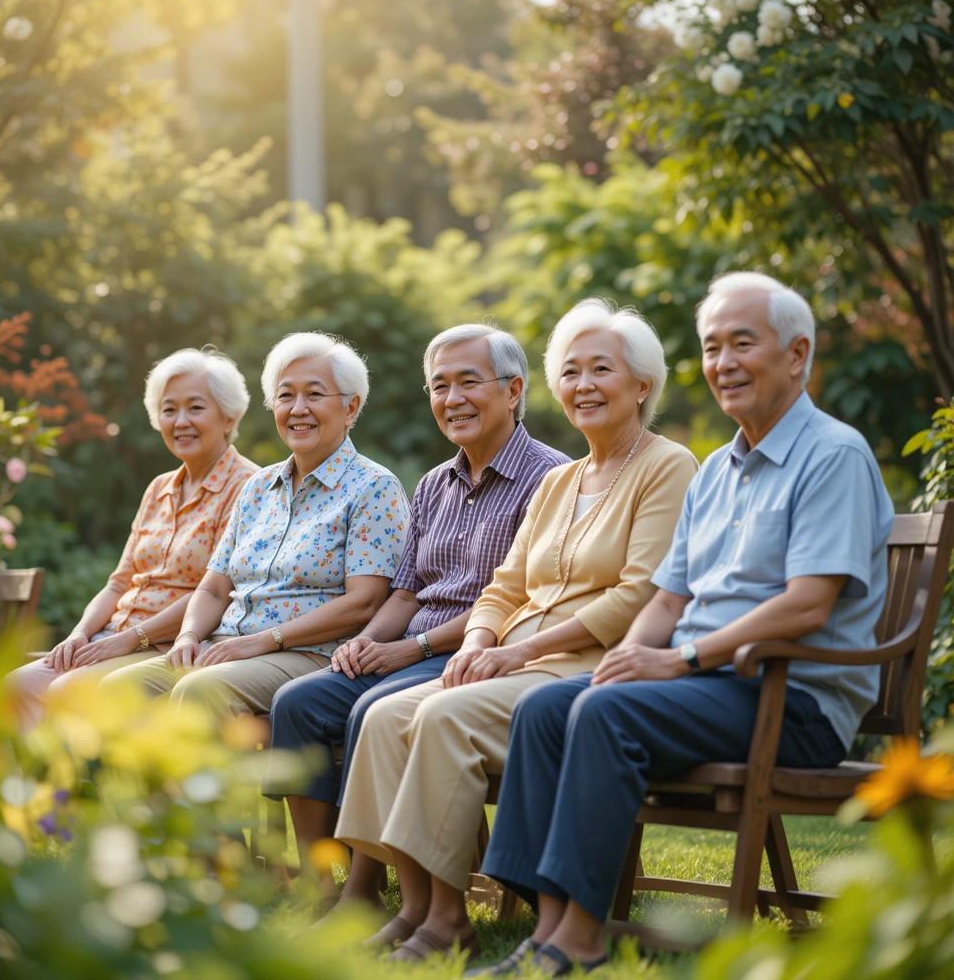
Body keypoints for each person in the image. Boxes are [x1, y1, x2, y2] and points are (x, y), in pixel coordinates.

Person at [477, 272, 895, 977]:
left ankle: (580, 941)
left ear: (796, 355)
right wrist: (627, 656)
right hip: (714, 689)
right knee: (550, 706)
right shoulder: (718, 471)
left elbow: (807, 604)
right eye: (711, 346)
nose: (723, 362)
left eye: (743, 343)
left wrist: (678, 660)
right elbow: (666, 600)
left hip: (788, 700)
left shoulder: (833, 454)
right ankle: (546, 934)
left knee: (606, 714)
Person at [334, 300, 698, 961]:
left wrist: (520, 649)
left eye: (601, 370)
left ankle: (449, 922)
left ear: (642, 385)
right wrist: (478, 643)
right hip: (517, 655)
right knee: (387, 716)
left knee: (444, 717)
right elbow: (504, 588)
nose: (583, 385)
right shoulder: (560, 481)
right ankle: (417, 908)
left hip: (586, 663)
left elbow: (641, 592)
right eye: (572, 371)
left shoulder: (668, 466)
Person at [268, 324, 569, 898]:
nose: (452, 399)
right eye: (439, 386)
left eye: (468, 382)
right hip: (411, 650)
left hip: (473, 651)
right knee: (299, 703)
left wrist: (414, 648)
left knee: (372, 709)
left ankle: (363, 888)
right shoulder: (434, 484)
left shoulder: (550, 478)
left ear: (513, 391)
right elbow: (405, 593)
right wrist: (367, 641)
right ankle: (319, 882)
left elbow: (522, 599)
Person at [101, 333, 408, 718]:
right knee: (116, 689)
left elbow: (364, 603)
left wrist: (264, 641)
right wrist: (189, 635)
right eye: (285, 396)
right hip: (227, 644)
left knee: (200, 691)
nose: (297, 409)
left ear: (351, 408)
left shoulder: (374, 487)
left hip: (308, 654)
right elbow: (214, 588)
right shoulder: (258, 487)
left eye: (314, 394)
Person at [3, 348, 257, 727]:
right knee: (15, 687)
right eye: (169, 409)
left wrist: (129, 639)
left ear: (229, 416)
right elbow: (119, 582)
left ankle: (80, 786)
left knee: (67, 693)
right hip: (112, 635)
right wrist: (80, 633)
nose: (181, 421)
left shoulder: (249, 486)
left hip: (168, 645)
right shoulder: (158, 488)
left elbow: (218, 590)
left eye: (196, 407)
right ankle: (32, 786)